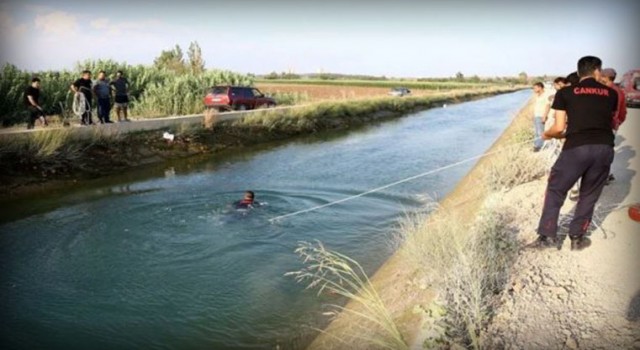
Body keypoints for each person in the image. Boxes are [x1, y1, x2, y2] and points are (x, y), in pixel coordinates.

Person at [534, 56, 618, 251]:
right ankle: (577, 238)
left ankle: (547, 236)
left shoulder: (565, 93)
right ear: (597, 71)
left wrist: (547, 135)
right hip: (604, 148)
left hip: (576, 148)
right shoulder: (611, 94)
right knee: (589, 194)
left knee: (556, 189)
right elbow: (608, 120)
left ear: (579, 72)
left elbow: (559, 127)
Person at [600, 68, 627, 184]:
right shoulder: (619, 91)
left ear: (605, 77)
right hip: (611, 125)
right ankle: (604, 175)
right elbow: (623, 112)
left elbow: (618, 111)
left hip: (606, 126)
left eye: (601, 76)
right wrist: (618, 122)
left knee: (603, 152)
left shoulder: (609, 91)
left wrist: (615, 122)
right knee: (605, 151)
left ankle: (604, 176)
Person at [531, 82, 551, 152]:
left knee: (540, 132)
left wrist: (544, 116)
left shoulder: (545, 95)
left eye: (535, 88)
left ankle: (539, 147)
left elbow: (548, 106)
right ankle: (536, 145)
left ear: (540, 87)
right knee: (536, 131)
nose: (534, 89)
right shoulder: (538, 95)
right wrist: (533, 115)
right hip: (536, 116)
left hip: (541, 116)